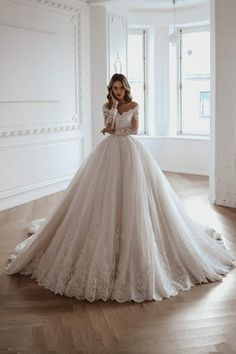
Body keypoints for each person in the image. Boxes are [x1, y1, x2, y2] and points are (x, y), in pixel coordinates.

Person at [4, 73, 235, 303]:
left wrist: (113, 128)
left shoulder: (134, 105)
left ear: (126, 88)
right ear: (111, 90)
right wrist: (113, 111)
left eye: (120, 89)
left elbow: (133, 130)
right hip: (108, 153)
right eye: (114, 89)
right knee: (103, 196)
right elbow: (108, 127)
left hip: (131, 152)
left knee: (135, 197)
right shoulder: (107, 106)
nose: (117, 92)